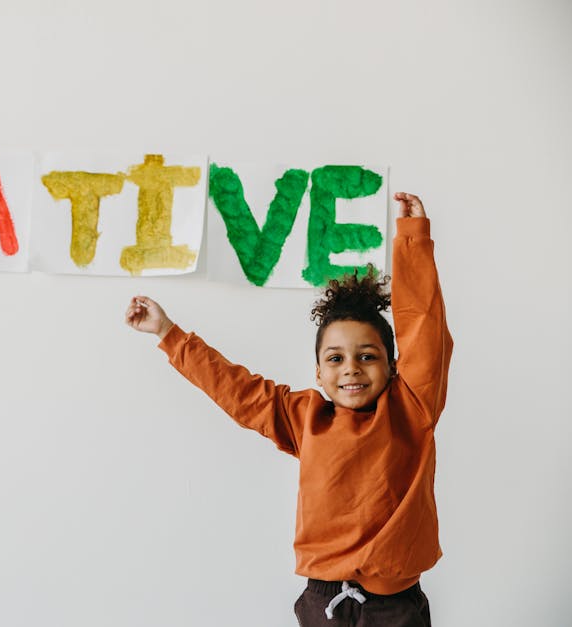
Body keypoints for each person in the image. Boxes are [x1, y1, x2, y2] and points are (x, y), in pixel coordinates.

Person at [124, 193, 452, 626]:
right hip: (324, 604)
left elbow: (425, 329)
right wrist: (167, 333)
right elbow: (237, 391)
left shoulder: (411, 407)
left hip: (394, 607)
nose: (351, 368)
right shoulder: (305, 417)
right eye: (335, 358)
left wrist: (411, 240)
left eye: (367, 356)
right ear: (318, 372)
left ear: (392, 366)